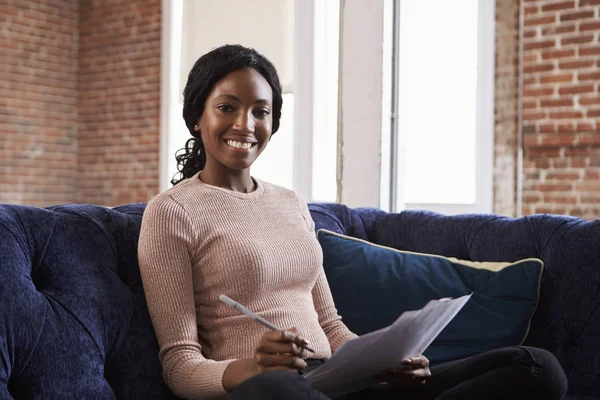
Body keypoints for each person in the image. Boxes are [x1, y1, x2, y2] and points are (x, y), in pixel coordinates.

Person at [138, 44, 568, 400]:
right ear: (198, 116)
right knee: (281, 390)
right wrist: (249, 369)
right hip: (266, 391)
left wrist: (384, 362)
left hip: (341, 384)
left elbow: (331, 326)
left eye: (261, 111)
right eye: (227, 107)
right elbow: (180, 365)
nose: (245, 124)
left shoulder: (291, 204)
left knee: (535, 367)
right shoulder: (171, 213)